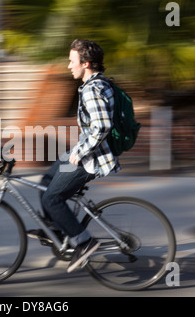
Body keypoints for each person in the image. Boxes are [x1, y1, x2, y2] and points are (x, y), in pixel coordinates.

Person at [27, 39, 121, 273]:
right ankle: (57, 229)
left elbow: (101, 127)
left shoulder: (92, 88)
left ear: (86, 63)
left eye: (72, 61)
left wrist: (78, 152)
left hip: (90, 159)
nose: (69, 66)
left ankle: (84, 241)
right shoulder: (96, 84)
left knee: (51, 199)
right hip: (84, 153)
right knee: (47, 182)